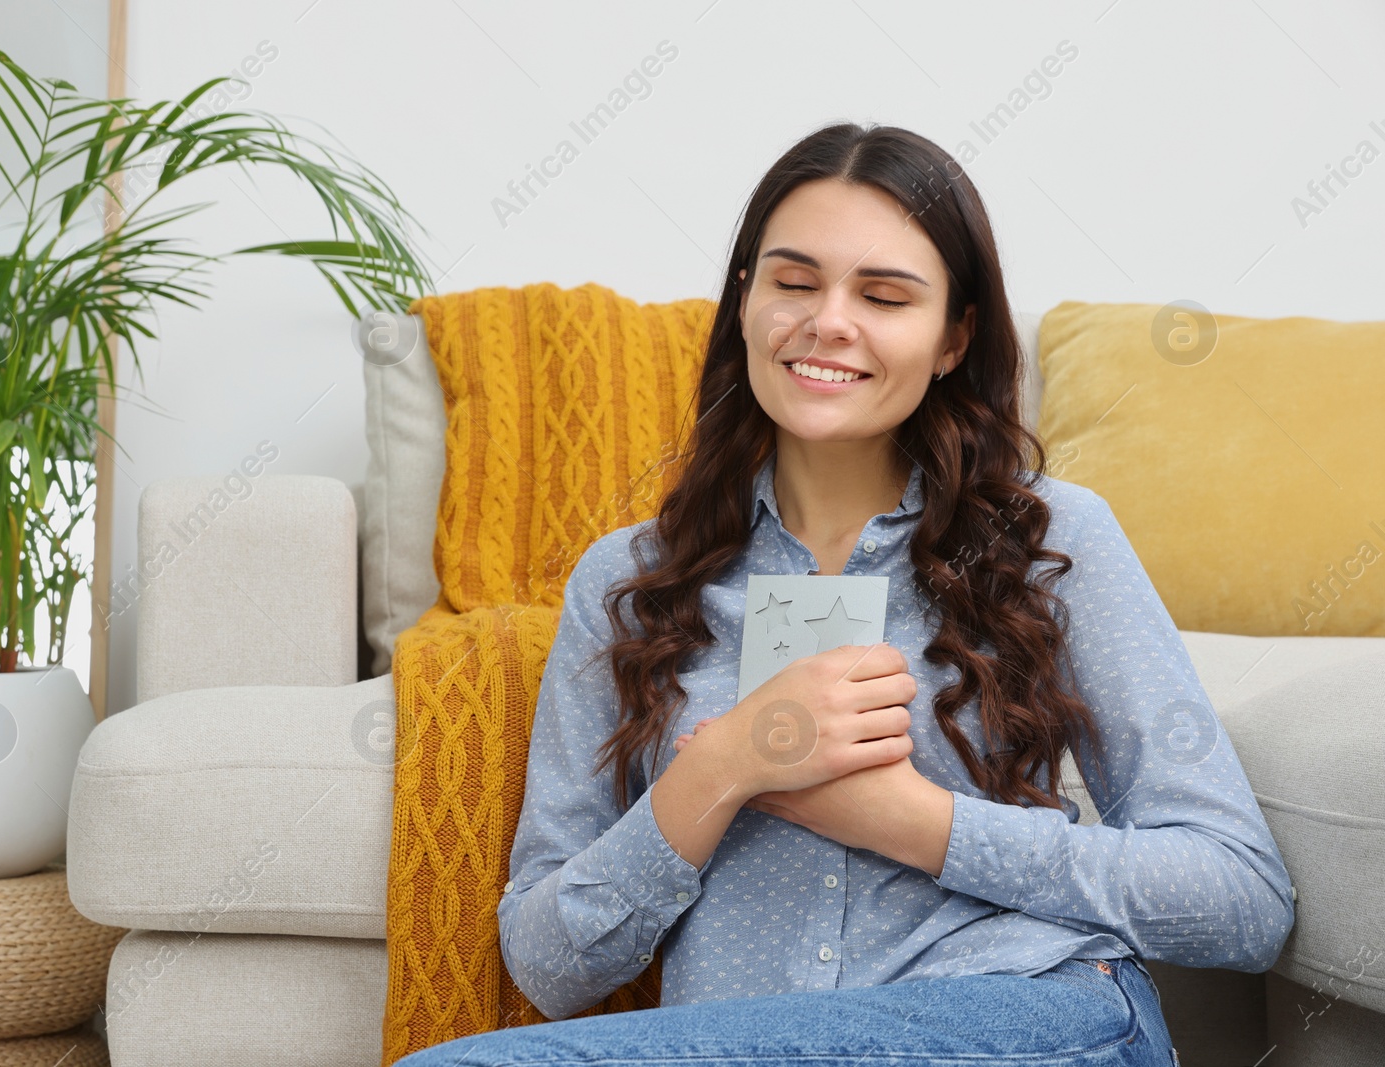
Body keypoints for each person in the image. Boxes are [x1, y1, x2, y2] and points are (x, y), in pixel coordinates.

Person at [395, 121, 1292, 1066]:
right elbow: (547, 963)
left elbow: (1240, 899)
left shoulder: (1051, 541)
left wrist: (916, 822)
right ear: (744, 303)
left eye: (884, 294)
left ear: (954, 336)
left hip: (1031, 1013)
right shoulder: (627, 582)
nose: (828, 320)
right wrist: (724, 767)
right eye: (792, 281)